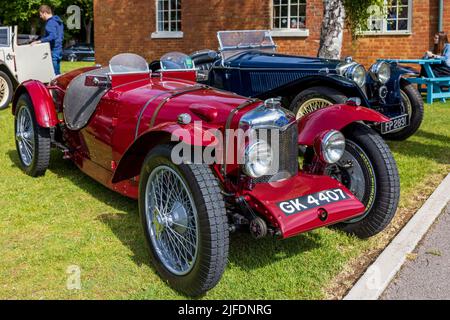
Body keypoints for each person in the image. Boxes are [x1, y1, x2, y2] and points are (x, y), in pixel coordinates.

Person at [32, 5, 64, 75]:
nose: (40, 17)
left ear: (45, 13)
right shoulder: (58, 21)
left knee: (54, 74)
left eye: (41, 15)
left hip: (54, 50)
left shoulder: (50, 23)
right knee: (58, 73)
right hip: (59, 49)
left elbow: (52, 36)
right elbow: (60, 36)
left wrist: (39, 41)